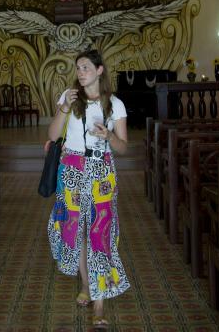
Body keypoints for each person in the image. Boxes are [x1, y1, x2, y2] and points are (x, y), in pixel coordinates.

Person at [47, 48, 130, 329]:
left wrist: (108, 136)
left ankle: (99, 302)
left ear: (99, 70)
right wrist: (65, 107)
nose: (80, 73)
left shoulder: (114, 104)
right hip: (71, 170)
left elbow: (123, 147)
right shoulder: (68, 99)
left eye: (85, 67)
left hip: (101, 172)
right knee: (77, 230)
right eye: (78, 68)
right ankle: (86, 283)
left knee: (100, 231)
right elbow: (52, 135)